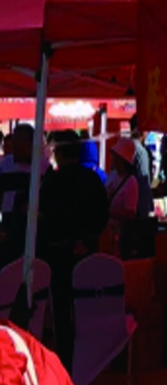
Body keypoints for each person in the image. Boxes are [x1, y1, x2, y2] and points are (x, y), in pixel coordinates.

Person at [38, 132, 109, 369]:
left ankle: (66, 363)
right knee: (89, 307)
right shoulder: (94, 180)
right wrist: (87, 239)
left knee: (62, 312)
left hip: (59, 255)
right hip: (90, 254)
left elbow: (46, 219)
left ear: (58, 152)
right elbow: (103, 216)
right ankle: (92, 360)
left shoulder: (52, 182)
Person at [0, 125, 38, 268]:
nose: (13, 147)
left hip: (32, 222)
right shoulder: (5, 165)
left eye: (18, 143)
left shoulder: (42, 166)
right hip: (8, 220)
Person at [105, 139, 141, 224]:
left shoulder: (131, 182)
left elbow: (131, 213)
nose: (114, 159)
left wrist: (112, 211)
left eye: (117, 156)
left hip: (121, 230)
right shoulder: (112, 175)